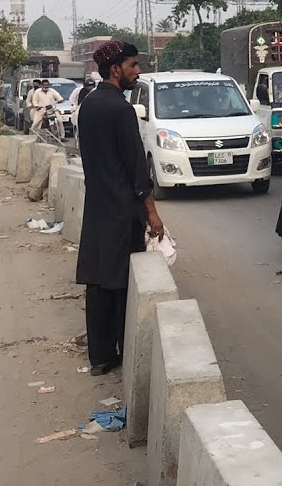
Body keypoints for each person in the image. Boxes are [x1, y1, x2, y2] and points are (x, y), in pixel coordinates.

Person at [77, 40, 166, 374]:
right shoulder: (121, 110)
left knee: (98, 280)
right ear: (115, 70)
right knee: (121, 282)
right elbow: (136, 169)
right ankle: (123, 350)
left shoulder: (89, 104)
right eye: (133, 66)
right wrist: (153, 214)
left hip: (97, 204)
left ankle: (100, 357)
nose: (138, 71)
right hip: (121, 208)